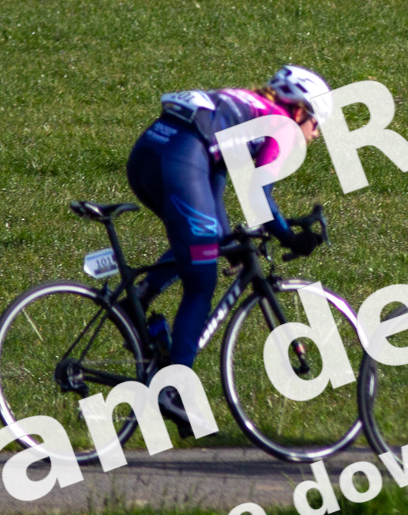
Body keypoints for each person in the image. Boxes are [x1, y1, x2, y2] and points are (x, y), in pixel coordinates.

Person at [125, 65, 331, 388]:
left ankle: (138, 299)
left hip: (147, 154)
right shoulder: (282, 127)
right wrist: (290, 238)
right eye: (318, 124)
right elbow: (258, 196)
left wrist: (226, 241)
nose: (316, 134)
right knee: (201, 283)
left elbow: (214, 187)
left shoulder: (248, 105)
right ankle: (173, 390)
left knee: (200, 243)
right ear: (301, 110)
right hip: (181, 159)